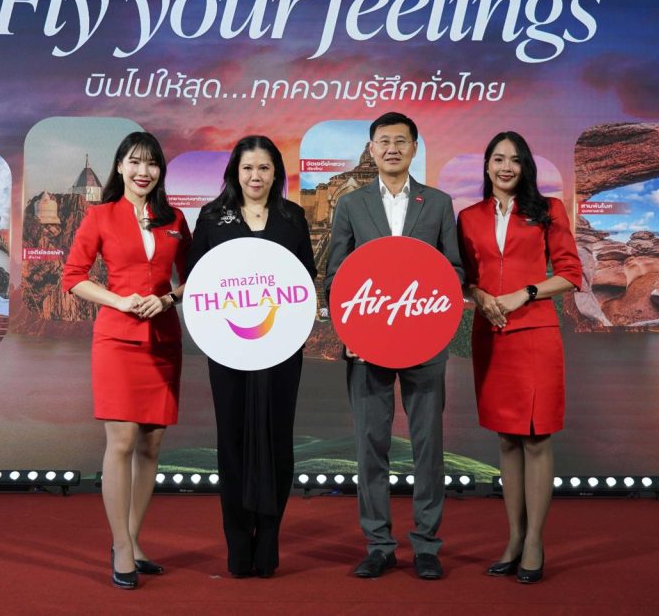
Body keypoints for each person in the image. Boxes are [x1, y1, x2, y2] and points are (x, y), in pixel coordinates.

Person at [324, 111, 463, 580]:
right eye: (383, 141)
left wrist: (435, 315)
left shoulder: (438, 203)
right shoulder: (351, 203)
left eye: (401, 141)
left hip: (425, 343)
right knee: (371, 446)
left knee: (428, 445)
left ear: (414, 148)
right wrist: (352, 332)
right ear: (371, 148)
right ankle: (379, 544)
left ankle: (426, 545)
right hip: (368, 346)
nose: (392, 149)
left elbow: (454, 271)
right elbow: (336, 275)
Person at [61, 131, 190, 590]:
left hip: (164, 341)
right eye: (134, 162)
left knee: (151, 446)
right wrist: (119, 301)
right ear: (119, 167)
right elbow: (73, 277)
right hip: (116, 340)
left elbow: (195, 277)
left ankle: (134, 541)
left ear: (160, 171)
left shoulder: (175, 218)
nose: (143, 171)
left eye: (151, 163)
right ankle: (119, 546)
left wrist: (169, 299)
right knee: (120, 442)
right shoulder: (100, 215)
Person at [186, 135, 316, 578]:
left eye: (263, 168)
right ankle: (239, 544)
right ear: (234, 173)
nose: (255, 176)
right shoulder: (212, 217)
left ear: (275, 172)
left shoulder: (292, 218)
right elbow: (196, 281)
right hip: (227, 349)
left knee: (278, 440)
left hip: (282, 350)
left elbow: (305, 282)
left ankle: (270, 541)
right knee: (233, 440)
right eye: (247, 168)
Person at [456, 131, 582, 584]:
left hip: (535, 334)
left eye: (514, 159)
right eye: (498, 158)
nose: (505, 166)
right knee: (507, 439)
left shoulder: (549, 210)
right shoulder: (468, 216)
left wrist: (523, 293)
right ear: (487, 165)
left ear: (525, 166)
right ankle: (512, 538)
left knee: (536, 438)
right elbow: (466, 277)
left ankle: (534, 543)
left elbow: (571, 274)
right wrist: (480, 295)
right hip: (490, 334)